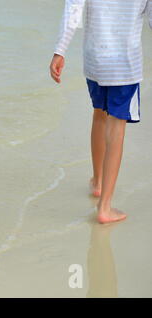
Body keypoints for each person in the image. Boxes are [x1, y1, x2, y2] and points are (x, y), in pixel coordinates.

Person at [50, 0, 152, 224]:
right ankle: (105, 207)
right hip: (125, 64)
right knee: (116, 128)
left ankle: (97, 181)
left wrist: (60, 50)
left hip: (95, 60)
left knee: (99, 115)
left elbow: (73, 9)